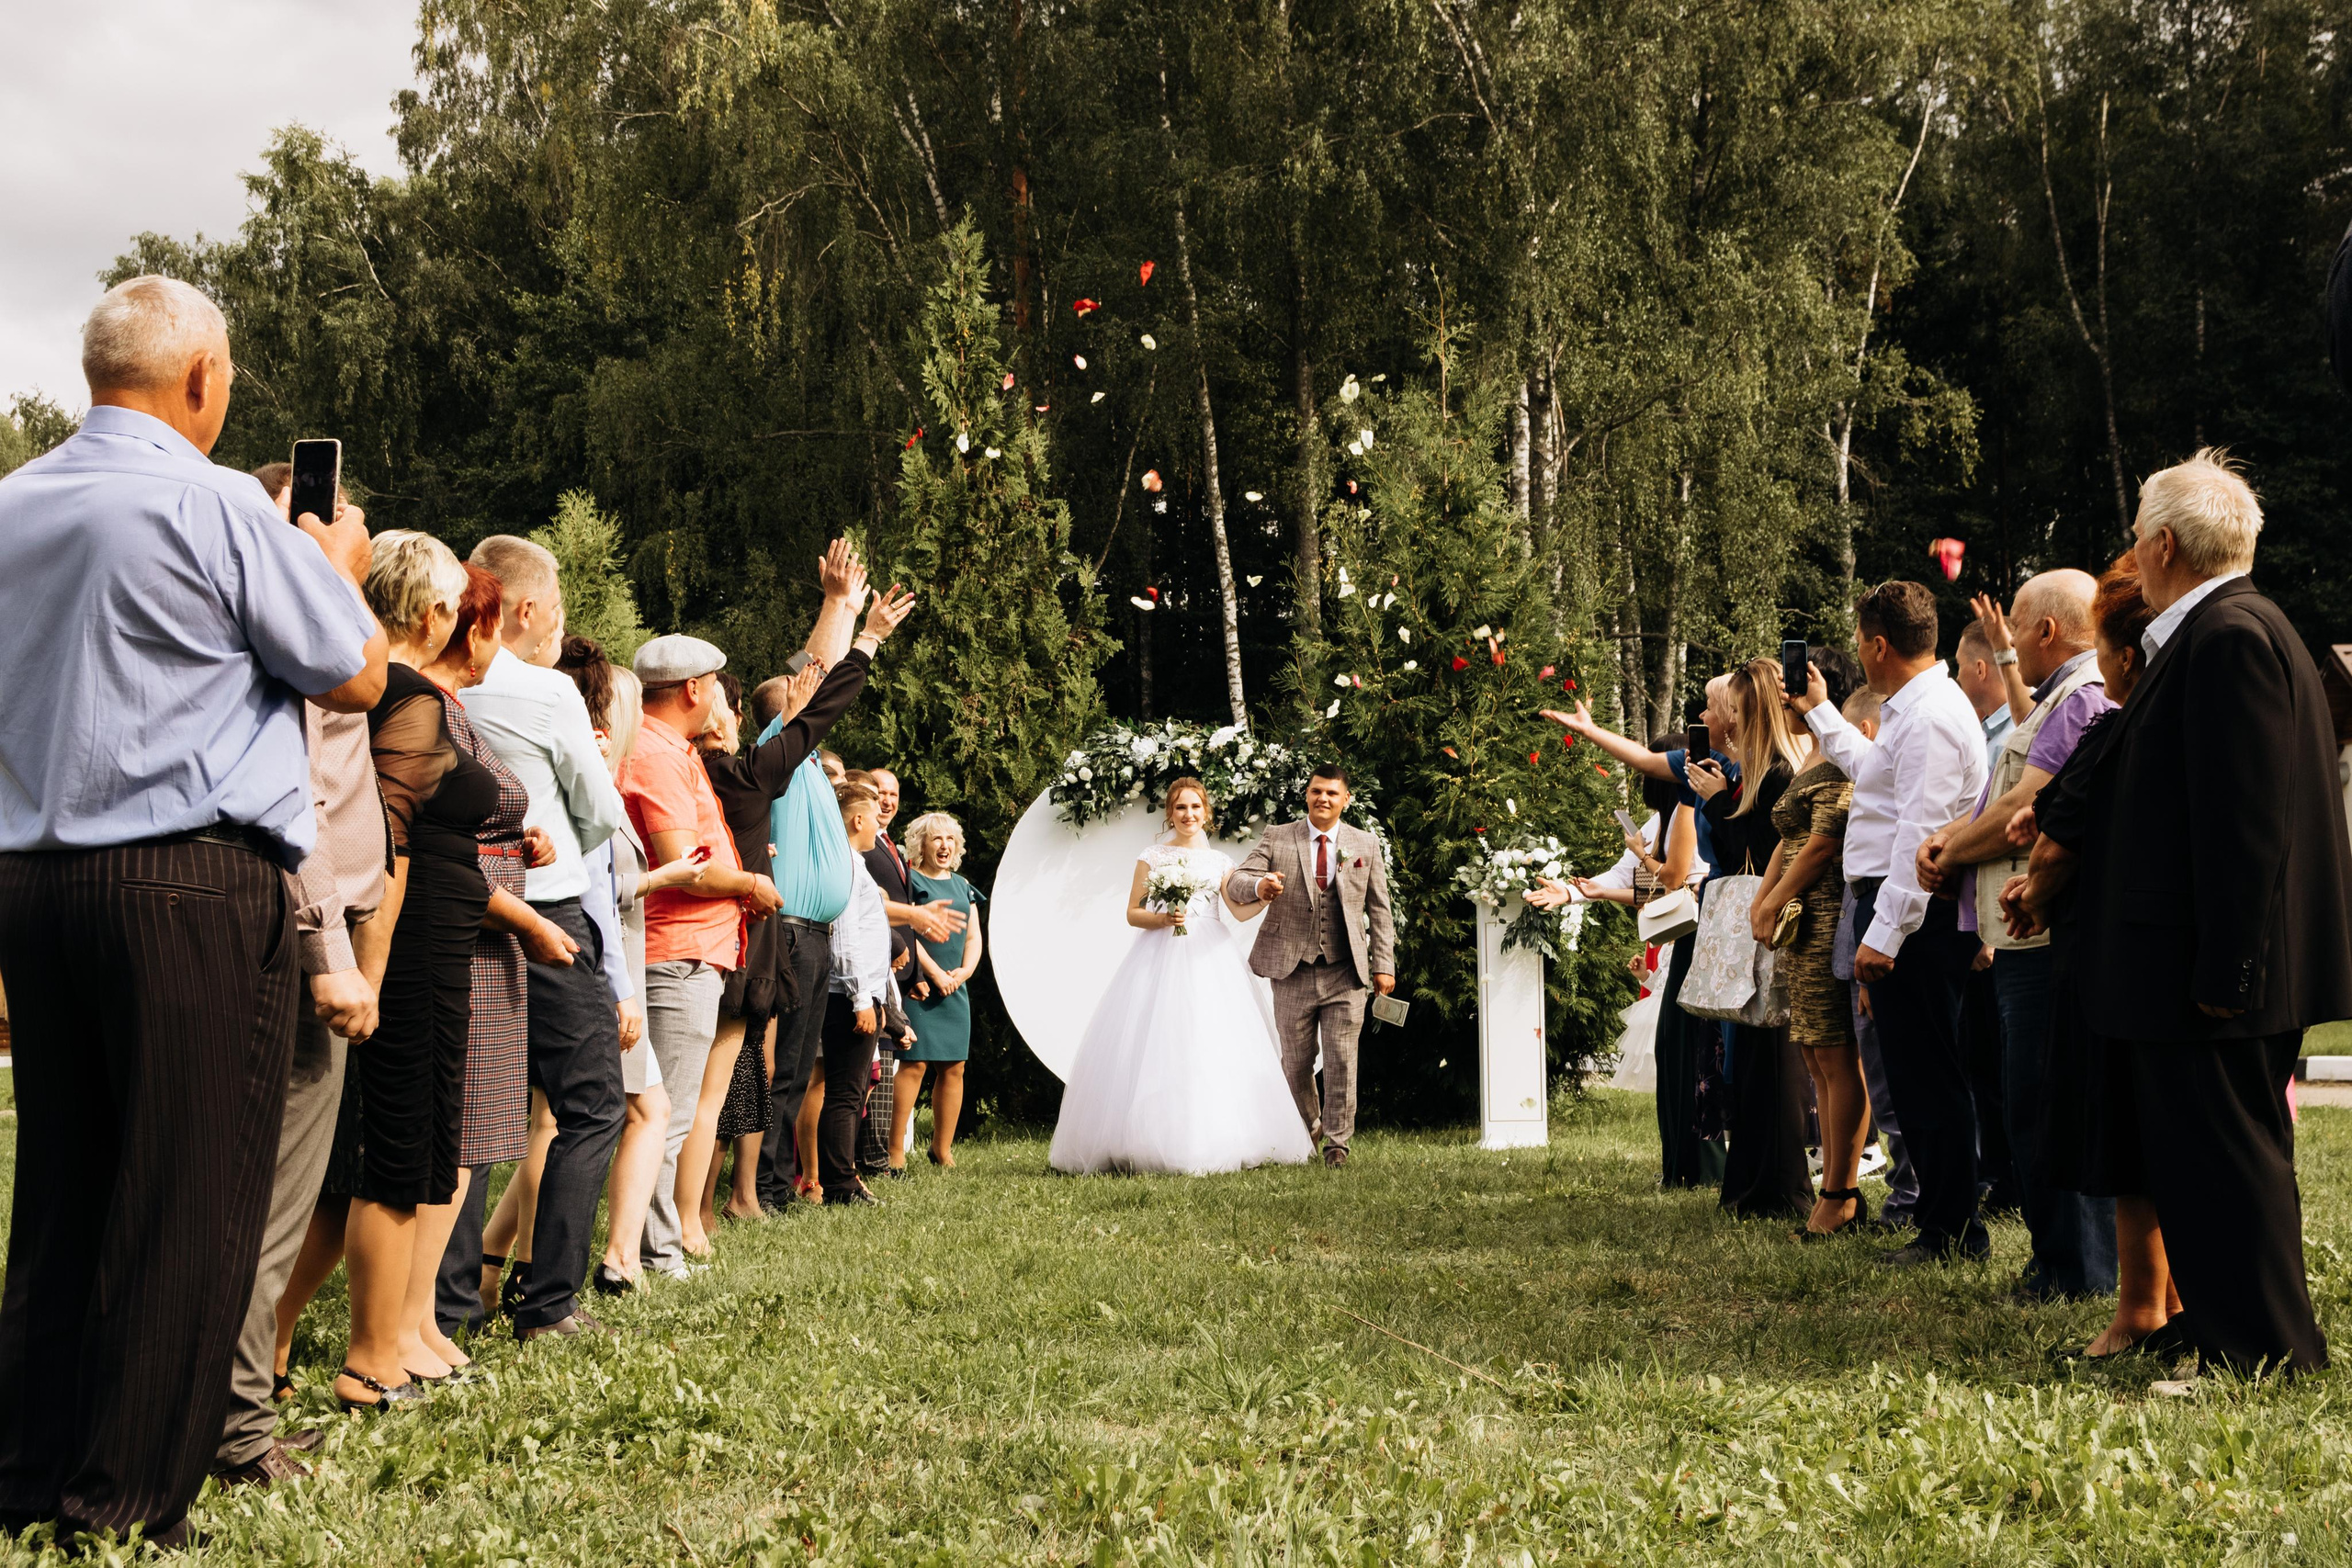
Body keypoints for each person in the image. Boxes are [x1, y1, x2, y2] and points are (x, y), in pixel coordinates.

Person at [0, 276, 383, 1546]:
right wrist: (329, 564)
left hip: (37, 883)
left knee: (62, 1188)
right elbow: (356, 667)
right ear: (203, 384)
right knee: (188, 1196)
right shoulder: (219, 502)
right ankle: (120, 1503)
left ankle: (29, 1468)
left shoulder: (9, 507)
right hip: (191, 881)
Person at [2069, 451, 2352, 1376]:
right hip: (2203, 958)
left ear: (2159, 545)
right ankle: (2231, 1329)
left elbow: (2246, 821)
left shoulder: (2227, 635)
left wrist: (2229, 970)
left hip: (2217, 965)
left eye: (2135, 540)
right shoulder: (2228, 628)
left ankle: (2265, 1350)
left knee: (2228, 1164)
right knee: (2207, 1160)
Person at [210, 469, 388, 1490]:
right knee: (271, 1196)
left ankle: (232, 1413)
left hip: (301, 919)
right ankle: (238, 1427)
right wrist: (331, 954)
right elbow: (300, 796)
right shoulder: (298, 625)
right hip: (291, 928)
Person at [328, 532, 499, 1411]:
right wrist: (374, 962)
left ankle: (400, 1332)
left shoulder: (375, 690)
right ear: (433, 614)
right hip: (402, 949)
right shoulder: (401, 695)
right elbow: (389, 839)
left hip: (425, 947)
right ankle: (371, 1351)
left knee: (422, 1143)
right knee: (396, 1150)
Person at [1917, 570, 2116, 1301]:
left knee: (2041, 1100)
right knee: (2031, 1095)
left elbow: (2023, 809)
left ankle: (2073, 1266)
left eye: (2018, 632)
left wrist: (1950, 850)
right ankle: (2060, 1259)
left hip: (2038, 934)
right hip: (2026, 928)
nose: (2011, 647)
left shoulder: (2080, 697)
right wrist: (1954, 840)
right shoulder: (2067, 695)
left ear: (2047, 632)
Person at [1997, 555, 2168, 1358]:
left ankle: (2135, 1301)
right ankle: (2147, 1295)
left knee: (2117, 1132)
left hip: (2104, 950)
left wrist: (2032, 884)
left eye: (2103, 647)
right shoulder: (2141, 719)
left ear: (2124, 655)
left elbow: (2061, 830)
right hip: (2125, 945)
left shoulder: (2110, 720)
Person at [458, 536, 628, 1340]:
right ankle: (549, 1299)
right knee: (593, 1103)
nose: (560, 626)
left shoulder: (442, 681)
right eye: (557, 611)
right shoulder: (547, 691)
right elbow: (601, 815)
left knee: (474, 1115)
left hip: (462, 911)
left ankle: (449, 1304)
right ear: (525, 610)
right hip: (549, 914)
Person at [1789, 581, 1988, 1266]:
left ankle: (1954, 1231)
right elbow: (1877, 773)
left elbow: (1919, 832)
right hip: (1900, 908)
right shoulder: (1916, 706)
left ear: (1878, 646)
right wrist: (1820, 713)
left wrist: (1884, 933)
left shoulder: (1930, 714)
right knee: (1911, 1073)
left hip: (1916, 915)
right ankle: (1939, 1219)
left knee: (1929, 1075)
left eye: (1859, 641)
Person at [692, 546, 882, 1224]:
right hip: (788, 932)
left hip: (814, 935)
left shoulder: (808, 776)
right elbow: (815, 679)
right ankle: (761, 1187)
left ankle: (764, 1186)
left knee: (789, 1072)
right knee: (766, 1072)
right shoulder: (778, 757)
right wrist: (845, 612)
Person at [1052, 780, 1315, 1174]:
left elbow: (1237, 912)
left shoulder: (1221, 862)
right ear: (1170, 814)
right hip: (1161, 952)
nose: (1188, 815)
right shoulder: (1153, 855)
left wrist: (1264, 898)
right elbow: (1132, 912)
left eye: (1195, 807)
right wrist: (1163, 918)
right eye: (1180, 808)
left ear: (1206, 812)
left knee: (1210, 1038)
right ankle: (1146, 1137)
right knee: (1159, 1040)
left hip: (1210, 954)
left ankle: (1220, 1134)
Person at [619, 635, 776, 1271]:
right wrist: (749, 884)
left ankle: (648, 1244)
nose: (718, 696)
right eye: (715, 683)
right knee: (670, 1113)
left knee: (667, 1110)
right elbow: (684, 864)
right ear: (692, 690)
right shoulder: (656, 755)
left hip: (692, 952)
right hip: (676, 954)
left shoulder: (670, 748)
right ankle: (657, 1251)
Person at [1527, 739, 1713, 1185]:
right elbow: (1622, 875)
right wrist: (1573, 891)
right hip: (1675, 944)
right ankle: (1679, 1166)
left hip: (1702, 942)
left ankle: (1703, 1166)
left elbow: (1681, 880)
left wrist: (1621, 874)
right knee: (1672, 1052)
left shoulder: (1698, 813)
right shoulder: (1658, 820)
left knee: (1693, 1055)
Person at [1221, 766, 1397, 1168]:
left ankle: (1337, 1145)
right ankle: (1310, 1125)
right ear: (1307, 794)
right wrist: (1259, 886)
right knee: (1296, 1061)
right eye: (1317, 791)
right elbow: (1237, 880)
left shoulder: (1365, 844)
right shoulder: (1279, 836)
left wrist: (1383, 964)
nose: (1324, 799)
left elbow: (1380, 910)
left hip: (1345, 970)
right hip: (1292, 967)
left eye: (1332, 794)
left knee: (1341, 1059)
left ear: (1345, 799)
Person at [1688, 660, 1811, 1222]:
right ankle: (1755, 1182)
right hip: (1762, 914)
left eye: (1736, 709)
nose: (1728, 722)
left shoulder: (1782, 772)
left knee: (1779, 1059)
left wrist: (1716, 802)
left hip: (1777, 922)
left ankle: (1782, 1186)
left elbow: (1763, 848)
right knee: (1759, 1060)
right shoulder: (1759, 770)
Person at [1747, 686, 1864, 1239]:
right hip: (1799, 920)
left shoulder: (1839, 756)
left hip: (1824, 912)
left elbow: (1822, 844)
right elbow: (1790, 838)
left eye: (1794, 692)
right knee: (1816, 1054)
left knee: (1836, 1054)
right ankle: (1834, 1191)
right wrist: (1763, 897)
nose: (1786, 703)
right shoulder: (1813, 753)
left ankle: (1840, 1193)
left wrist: (1772, 901)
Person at [1951, 620, 2021, 1217]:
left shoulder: (2009, 737)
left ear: (1981, 669)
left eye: (1957, 664)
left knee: (2000, 1059)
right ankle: (1995, 1169)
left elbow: (2003, 825)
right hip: (1980, 919)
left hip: (2004, 920)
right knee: (1979, 1054)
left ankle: (2010, 1175)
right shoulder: (1980, 734)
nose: (1953, 675)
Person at [821, 779, 901, 1199]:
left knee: (850, 1091)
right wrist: (860, 998)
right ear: (857, 819)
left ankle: (843, 1176)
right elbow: (846, 935)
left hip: (863, 992)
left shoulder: (853, 862)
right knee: (846, 1092)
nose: (878, 827)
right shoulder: (850, 865)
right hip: (849, 996)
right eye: (873, 818)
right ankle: (840, 1181)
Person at [895, 812, 986, 1170]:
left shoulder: (964, 886)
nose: (944, 846)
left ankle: (941, 1150)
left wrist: (963, 973)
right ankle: (895, 1153)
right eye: (936, 839)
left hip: (955, 988)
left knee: (954, 1067)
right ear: (921, 843)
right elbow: (907, 933)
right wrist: (935, 975)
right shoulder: (910, 881)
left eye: (950, 839)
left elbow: (974, 936)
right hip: (920, 985)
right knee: (913, 1065)